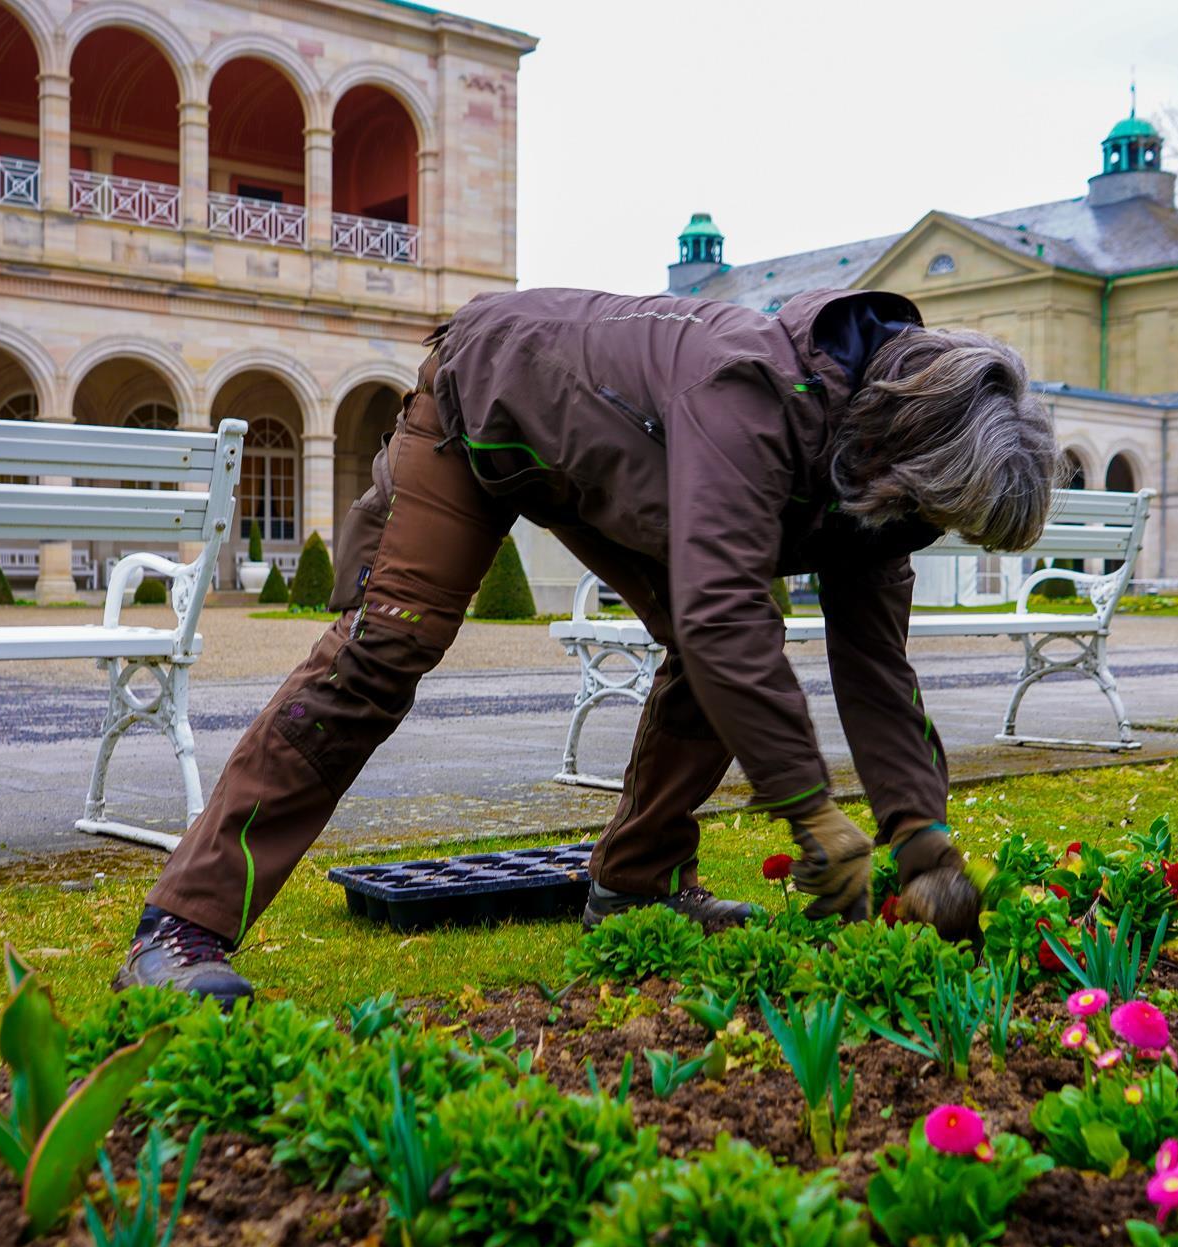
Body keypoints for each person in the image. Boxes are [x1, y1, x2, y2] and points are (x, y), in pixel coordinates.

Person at [116, 287, 1060, 1002]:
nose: (926, 533)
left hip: (606, 461)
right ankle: (178, 932)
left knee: (716, 656)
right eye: (935, 513)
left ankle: (636, 885)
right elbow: (720, 609)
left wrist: (921, 839)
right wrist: (812, 814)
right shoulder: (750, 396)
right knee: (384, 651)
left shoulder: (884, 488)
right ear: (907, 453)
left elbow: (875, 668)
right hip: (481, 411)